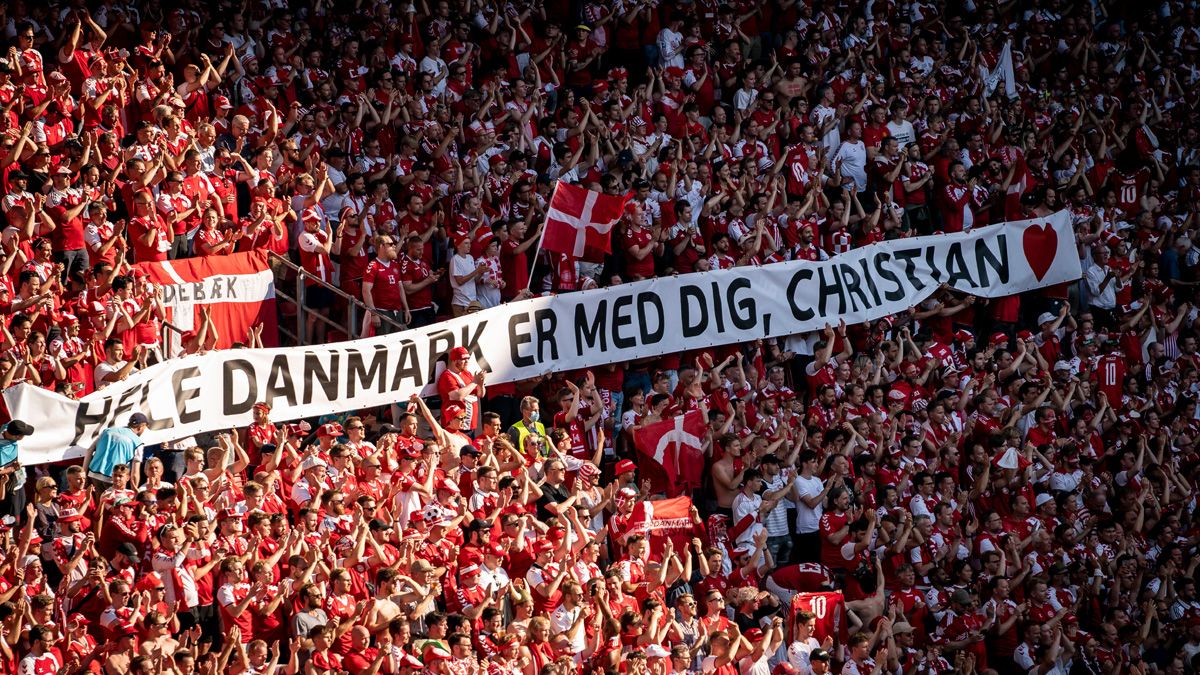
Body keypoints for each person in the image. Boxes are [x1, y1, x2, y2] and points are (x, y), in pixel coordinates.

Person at [82, 413, 148, 489]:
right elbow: (135, 473)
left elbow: (89, 450)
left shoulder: (107, 431)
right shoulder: (137, 443)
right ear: (141, 427)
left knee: (101, 500)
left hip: (94, 474)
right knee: (115, 500)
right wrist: (134, 491)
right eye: (144, 428)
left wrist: (84, 474)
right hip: (115, 478)